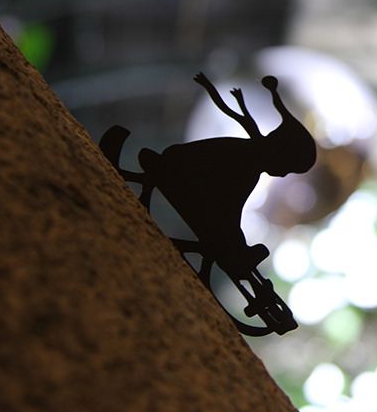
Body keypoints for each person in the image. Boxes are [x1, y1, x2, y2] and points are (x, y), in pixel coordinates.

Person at [100, 73, 317, 285]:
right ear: (279, 152)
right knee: (227, 214)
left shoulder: (245, 161)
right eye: (287, 168)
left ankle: (235, 248)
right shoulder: (243, 167)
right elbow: (236, 113)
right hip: (191, 168)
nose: (283, 174)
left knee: (228, 213)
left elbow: (243, 113)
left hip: (189, 164)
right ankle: (235, 249)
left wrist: (269, 92)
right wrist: (214, 87)